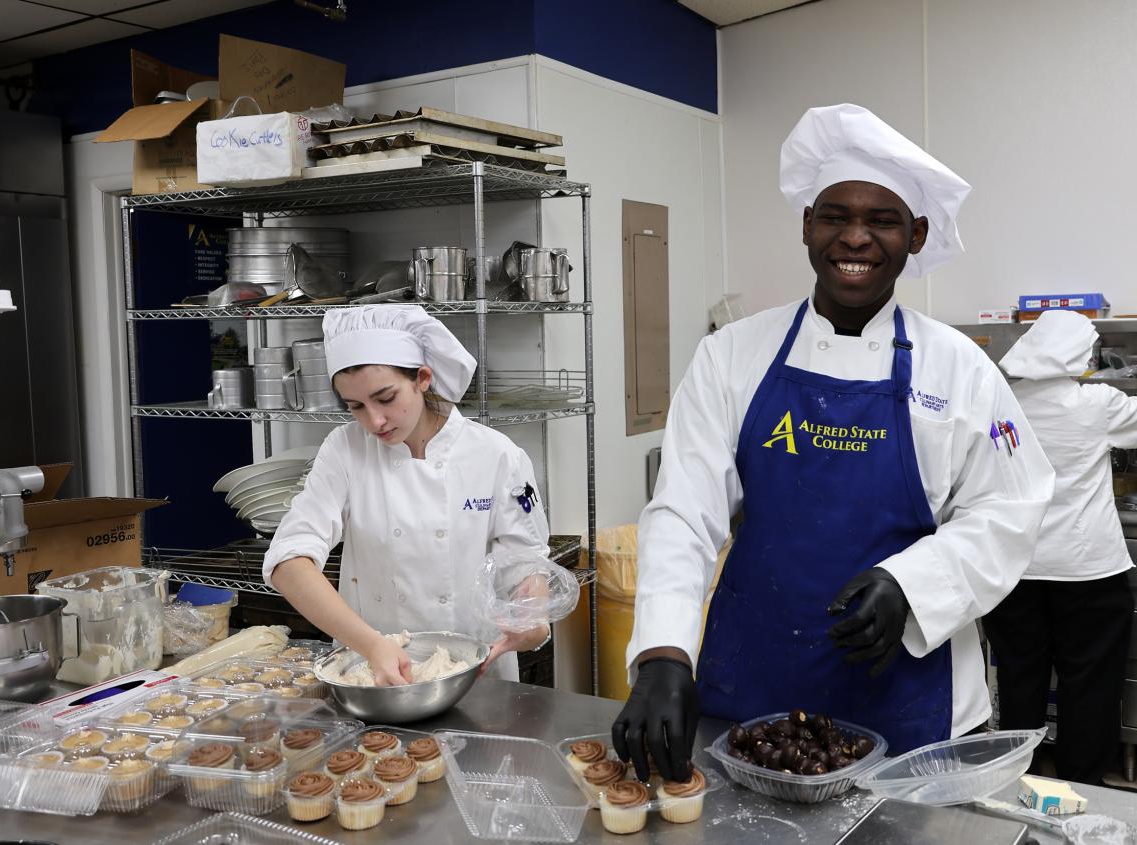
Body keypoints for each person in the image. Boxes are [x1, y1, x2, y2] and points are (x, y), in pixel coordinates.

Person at [612, 103, 1056, 782]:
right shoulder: (732, 355)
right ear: (806, 227)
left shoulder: (959, 368)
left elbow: (1014, 506)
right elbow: (682, 509)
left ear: (915, 234)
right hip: (753, 690)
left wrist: (914, 583)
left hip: (910, 701)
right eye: (835, 216)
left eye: (881, 220)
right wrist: (665, 651)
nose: (855, 238)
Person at [262, 305, 552, 684]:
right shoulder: (345, 449)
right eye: (355, 407)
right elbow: (288, 561)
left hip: (475, 675)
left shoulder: (497, 455)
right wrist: (372, 644)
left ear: (423, 378)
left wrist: (534, 624)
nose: (374, 421)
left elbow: (527, 569)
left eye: (385, 398)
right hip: (375, 675)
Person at [983, 310, 1136, 784]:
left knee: (1019, 677)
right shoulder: (1097, 402)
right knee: (1089, 683)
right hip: (1088, 569)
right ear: (1077, 354)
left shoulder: (1001, 403)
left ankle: (1017, 777)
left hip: (1016, 569)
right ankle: (1080, 782)